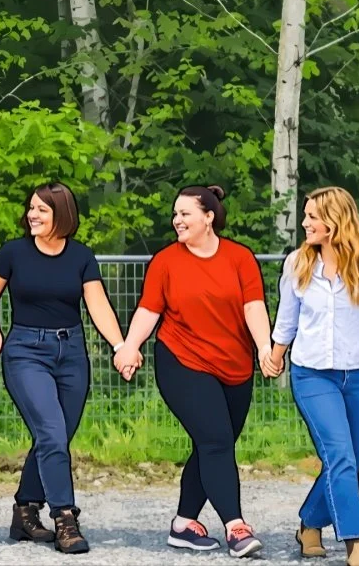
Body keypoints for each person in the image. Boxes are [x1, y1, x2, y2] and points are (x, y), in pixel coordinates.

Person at [263, 186, 359, 566]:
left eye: (312, 217)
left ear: (335, 222)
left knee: (348, 458)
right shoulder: (297, 264)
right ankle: (356, 544)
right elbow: (287, 320)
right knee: (340, 456)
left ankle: (309, 523)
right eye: (305, 216)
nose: (305, 223)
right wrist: (275, 357)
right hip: (313, 376)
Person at [114, 184, 270, 558]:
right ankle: (236, 527)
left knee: (213, 444)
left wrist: (265, 347)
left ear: (208, 217)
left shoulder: (240, 258)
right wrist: (130, 346)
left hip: (235, 365)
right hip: (182, 360)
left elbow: (253, 307)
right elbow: (149, 309)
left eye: (185, 213)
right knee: (216, 441)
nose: (177, 220)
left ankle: (184, 524)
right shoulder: (166, 261)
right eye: (175, 214)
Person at [0, 181, 129, 554]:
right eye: (31, 208)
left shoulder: (81, 256)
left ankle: (25, 512)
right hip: (26, 352)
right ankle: (65, 518)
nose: (32, 215)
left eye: (41, 209)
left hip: (72, 352)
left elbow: (98, 305)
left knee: (54, 437)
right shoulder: (13, 253)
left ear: (61, 214)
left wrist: (120, 345)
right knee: (52, 433)